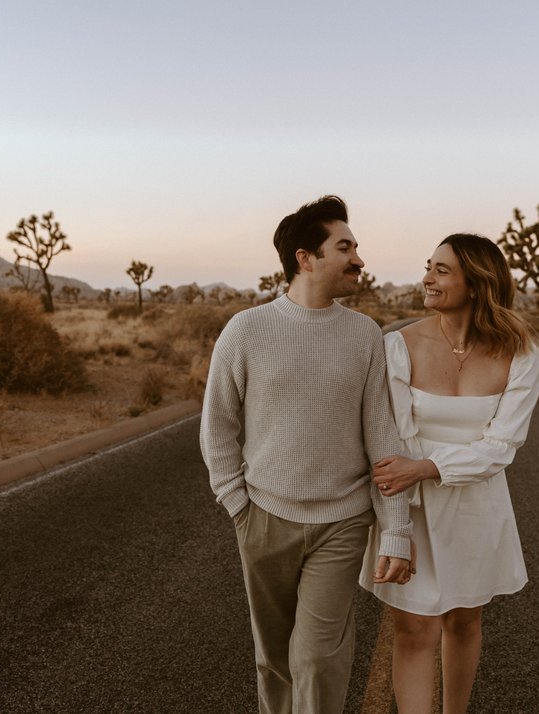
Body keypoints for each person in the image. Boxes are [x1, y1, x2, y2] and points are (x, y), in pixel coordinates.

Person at [200, 195, 413, 714]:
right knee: (274, 659)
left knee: (317, 660)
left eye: (357, 248)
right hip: (264, 519)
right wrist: (237, 506)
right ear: (305, 258)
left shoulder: (364, 335)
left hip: (341, 522)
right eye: (345, 247)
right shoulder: (246, 331)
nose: (359, 260)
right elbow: (218, 426)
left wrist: (396, 528)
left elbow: (382, 436)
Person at [359, 233, 539, 713]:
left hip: (478, 505)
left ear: (477, 282)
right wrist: (397, 523)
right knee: (414, 626)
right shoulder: (397, 346)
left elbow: (502, 446)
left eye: (441, 270)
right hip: (411, 504)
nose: (427, 279)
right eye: (428, 267)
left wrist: (428, 466)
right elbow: (391, 438)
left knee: (464, 620)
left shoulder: (519, 354)